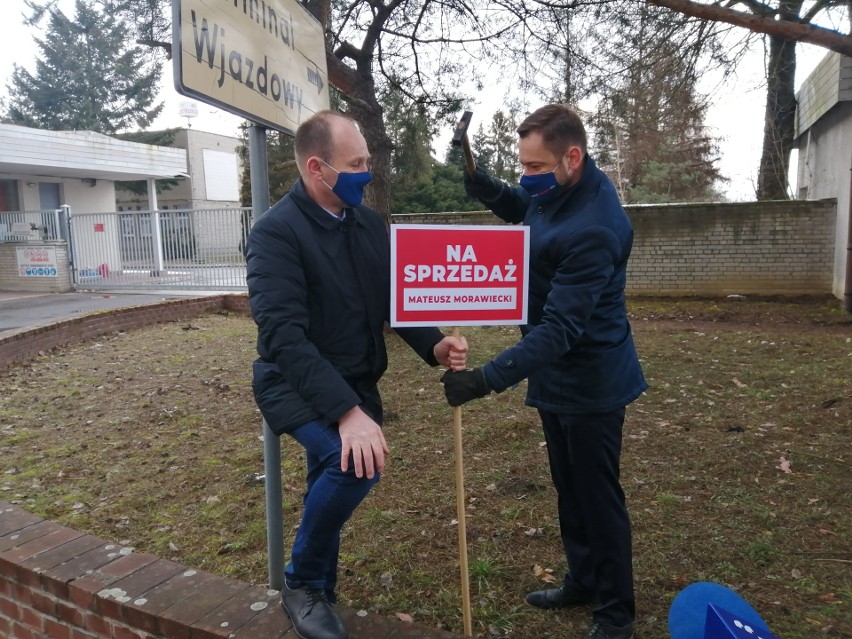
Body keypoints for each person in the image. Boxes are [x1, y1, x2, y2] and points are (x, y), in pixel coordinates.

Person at [246, 110, 467, 639]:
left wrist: (434, 344)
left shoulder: (368, 222)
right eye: (358, 163)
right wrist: (348, 414)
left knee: (330, 475)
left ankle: (321, 586)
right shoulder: (275, 235)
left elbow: (396, 297)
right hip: (294, 382)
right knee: (356, 465)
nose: (368, 172)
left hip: (357, 379)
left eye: (367, 160)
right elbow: (284, 338)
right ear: (317, 168)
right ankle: (300, 584)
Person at [441, 104, 647, 639]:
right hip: (553, 373)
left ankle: (615, 613)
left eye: (535, 167)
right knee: (568, 486)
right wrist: (481, 182)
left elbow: (560, 330)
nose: (526, 177)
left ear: (572, 156)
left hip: (592, 378)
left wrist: (485, 378)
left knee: (598, 497)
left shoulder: (597, 226)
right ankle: (582, 580)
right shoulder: (556, 194)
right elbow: (522, 212)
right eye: (522, 166)